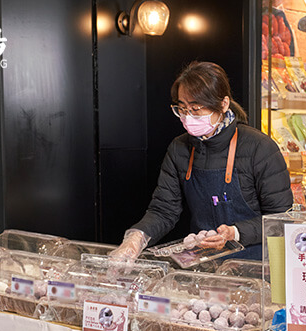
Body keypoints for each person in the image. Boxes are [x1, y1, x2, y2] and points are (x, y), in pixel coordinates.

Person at [114, 61, 293, 260]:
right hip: (204, 262)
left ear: (223, 104)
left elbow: (282, 219)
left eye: (196, 109)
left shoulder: (259, 148)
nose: (188, 117)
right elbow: (164, 210)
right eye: (182, 109)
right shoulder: (179, 148)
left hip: (254, 264)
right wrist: (136, 238)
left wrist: (235, 233)